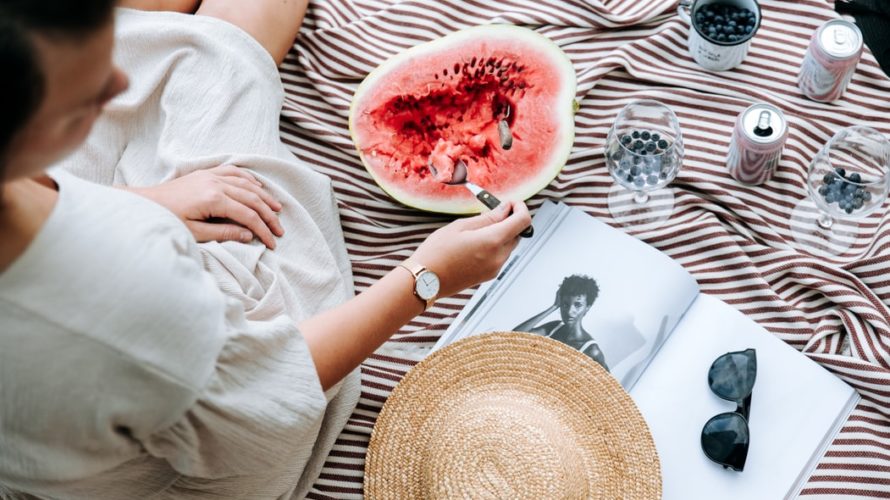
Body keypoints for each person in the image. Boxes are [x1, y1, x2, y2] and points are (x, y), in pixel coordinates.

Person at [0, 1, 531, 498]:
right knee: (218, 54)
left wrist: (145, 201)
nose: (115, 80)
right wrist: (426, 275)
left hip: (105, 369)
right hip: (208, 427)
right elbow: (273, 392)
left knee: (146, 28)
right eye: (86, 93)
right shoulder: (128, 317)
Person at [514, 274, 609, 370]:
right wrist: (554, 307)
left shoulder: (591, 350)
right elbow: (514, 337)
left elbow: (607, 383)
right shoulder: (554, 327)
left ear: (587, 308)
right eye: (565, 304)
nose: (569, 311)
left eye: (577, 305)